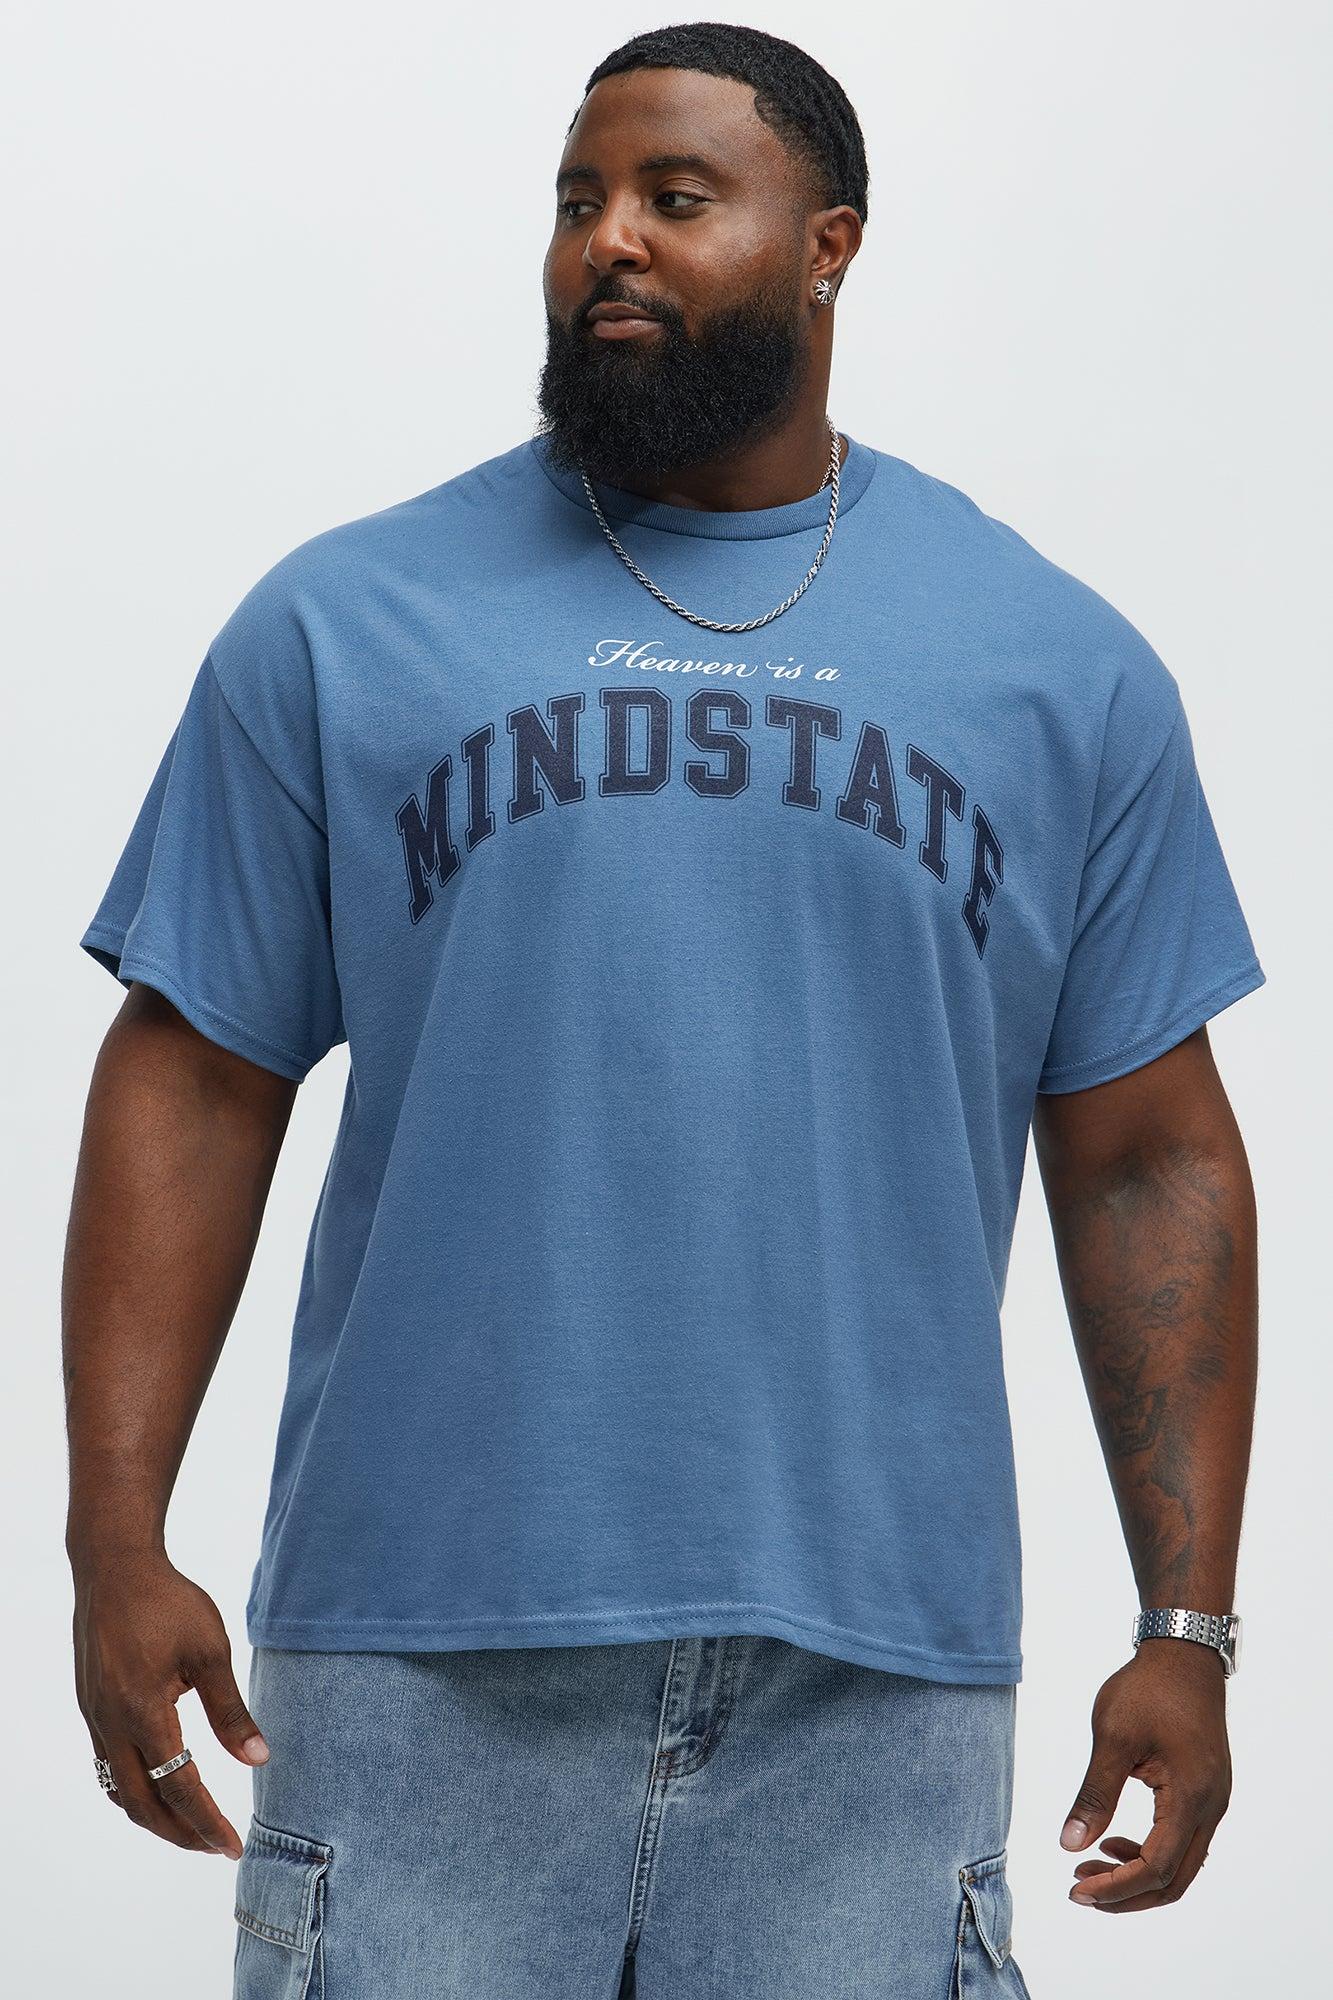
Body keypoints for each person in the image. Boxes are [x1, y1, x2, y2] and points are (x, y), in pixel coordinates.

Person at [65, 22, 1266, 1999]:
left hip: (870, 1678)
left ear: (830, 245)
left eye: (674, 198)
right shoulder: (346, 622)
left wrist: (1186, 1625)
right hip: (417, 1655)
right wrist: (116, 1538)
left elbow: (1148, 1159)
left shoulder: (1057, 666)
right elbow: (191, 1083)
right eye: (576, 201)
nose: (606, 240)